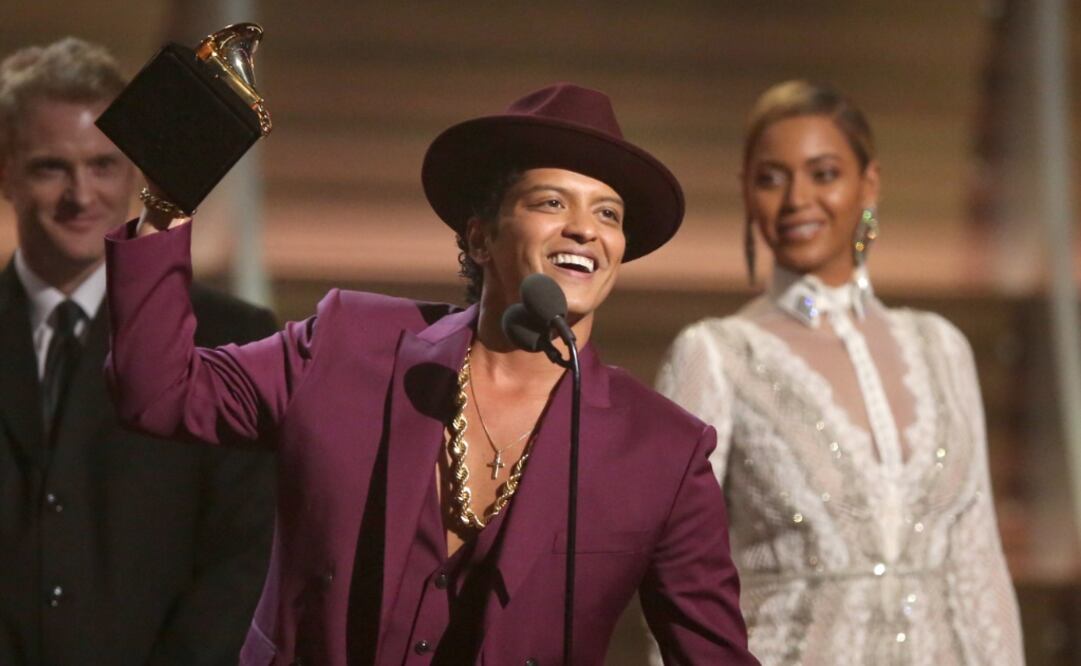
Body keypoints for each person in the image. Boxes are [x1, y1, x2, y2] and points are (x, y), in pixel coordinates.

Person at [103, 83, 758, 665]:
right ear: (479, 238)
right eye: (552, 202)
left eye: (607, 213)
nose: (584, 229)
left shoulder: (664, 452)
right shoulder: (346, 344)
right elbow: (157, 391)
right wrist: (166, 202)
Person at [654, 80, 1024, 664]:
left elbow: (979, 559)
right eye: (772, 178)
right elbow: (676, 576)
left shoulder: (940, 345)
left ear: (868, 184)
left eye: (824, 173)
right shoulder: (715, 354)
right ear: (747, 195)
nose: (798, 197)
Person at [0, 38, 277, 665]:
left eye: (103, 165)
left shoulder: (229, 336)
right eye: (51, 167)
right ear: (5, 171)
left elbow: (244, 559)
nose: (81, 194)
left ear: (135, 169)